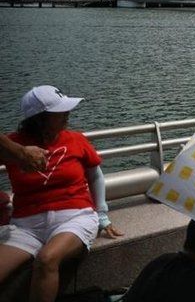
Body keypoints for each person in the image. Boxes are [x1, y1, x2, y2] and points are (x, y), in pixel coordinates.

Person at [0, 86, 123, 302]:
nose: (68, 115)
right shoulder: (12, 146)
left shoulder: (76, 139)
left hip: (75, 217)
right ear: (40, 119)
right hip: (25, 226)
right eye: (61, 112)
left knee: (47, 259)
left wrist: (102, 215)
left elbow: (95, 176)